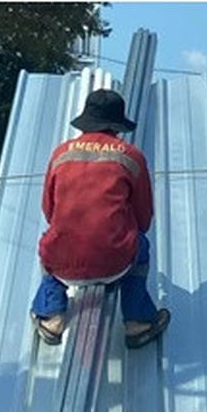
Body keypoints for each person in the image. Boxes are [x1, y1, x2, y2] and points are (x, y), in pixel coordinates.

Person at [32, 89, 170, 349]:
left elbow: (48, 211)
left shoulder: (61, 153)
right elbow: (143, 218)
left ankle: (51, 317)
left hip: (62, 265)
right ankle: (136, 322)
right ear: (117, 125)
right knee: (140, 245)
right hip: (114, 263)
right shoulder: (130, 156)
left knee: (48, 243)